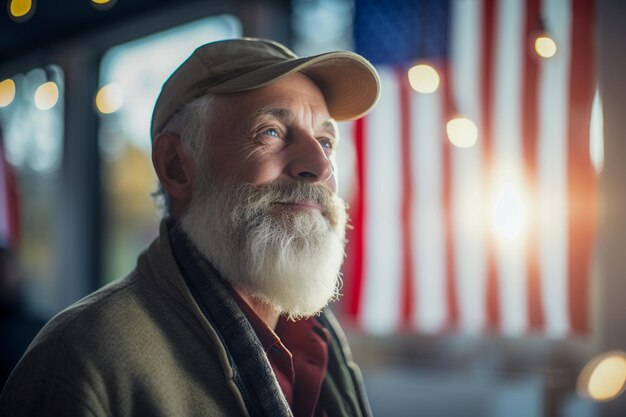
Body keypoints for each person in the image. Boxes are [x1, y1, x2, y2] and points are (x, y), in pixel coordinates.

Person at [0, 37, 380, 416]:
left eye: (326, 142)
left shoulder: (321, 338)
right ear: (176, 166)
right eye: (271, 132)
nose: (321, 166)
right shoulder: (79, 358)